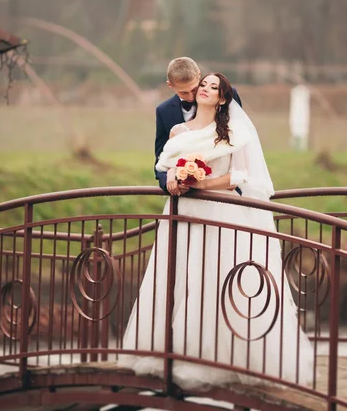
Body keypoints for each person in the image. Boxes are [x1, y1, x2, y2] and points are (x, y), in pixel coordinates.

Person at [121, 73, 313, 389]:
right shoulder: (177, 130)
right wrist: (173, 179)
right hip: (182, 214)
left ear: (223, 98)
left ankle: (216, 360)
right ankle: (173, 352)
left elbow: (238, 176)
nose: (206, 89)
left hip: (217, 212)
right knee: (180, 277)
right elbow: (165, 164)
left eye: (214, 87)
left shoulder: (231, 133)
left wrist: (200, 184)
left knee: (213, 278)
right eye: (204, 85)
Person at [155, 57, 242, 194]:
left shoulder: (225, 94)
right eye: (183, 93)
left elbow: (241, 147)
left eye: (194, 89)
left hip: (223, 194)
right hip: (185, 198)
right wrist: (170, 181)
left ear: (199, 75)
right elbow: (162, 158)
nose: (191, 97)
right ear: (170, 85)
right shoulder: (164, 111)